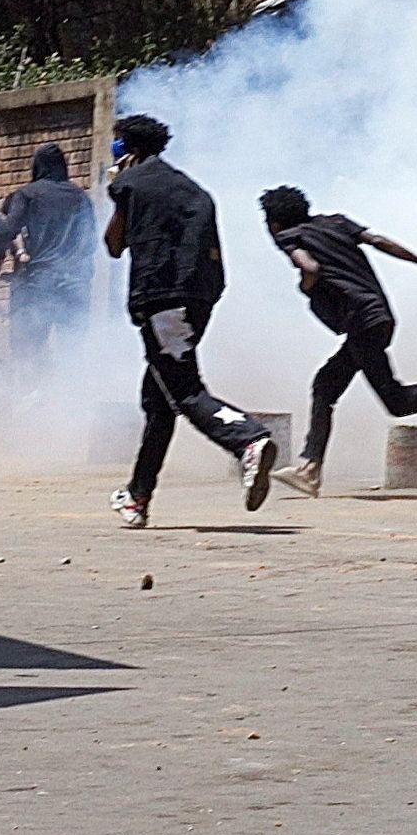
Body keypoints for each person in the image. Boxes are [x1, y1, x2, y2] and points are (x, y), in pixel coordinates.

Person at [258, 186, 417, 499]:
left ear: (273, 222)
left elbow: (310, 267)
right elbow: (379, 241)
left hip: (361, 321)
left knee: (396, 401)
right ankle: (309, 469)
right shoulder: (336, 222)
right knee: (326, 385)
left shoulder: (288, 236)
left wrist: (306, 287)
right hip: (378, 315)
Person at [103, 113, 276, 526]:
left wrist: (115, 187)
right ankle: (137, 496)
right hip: (200, 297)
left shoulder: (130, 183)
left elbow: (113, 244)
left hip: (161, 297)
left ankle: (247, 441)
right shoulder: (192, 188)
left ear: (126, 148)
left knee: (184, 390)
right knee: (158, 400)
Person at [0, 143, 96, 369]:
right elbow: (91, 239)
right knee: (71, 347)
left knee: (29, 344)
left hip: (39, 280)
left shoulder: (27, 194)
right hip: (75, 282)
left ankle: (31, 394)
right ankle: (68, 397)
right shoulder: (80, 196)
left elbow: (9, 229)